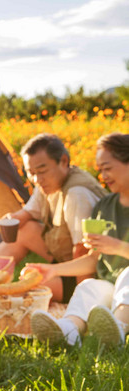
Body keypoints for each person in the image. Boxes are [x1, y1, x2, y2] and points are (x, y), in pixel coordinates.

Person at [30, 133, 129, 347]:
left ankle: (118, 331)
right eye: (100, 170)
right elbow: (93, 260)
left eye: (108, 168)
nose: (103, 176)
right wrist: (54, 270)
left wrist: (118, 247)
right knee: (89, 287)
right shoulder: (105, 206)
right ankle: (68, 331)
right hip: (112, 286)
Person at [0, 133, 106, 302]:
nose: (37, 179)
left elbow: (83, 251)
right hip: (62, 257)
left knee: (30, 291)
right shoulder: (47, 182)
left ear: (64, 161)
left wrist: (83, 300)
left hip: (86, 272)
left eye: (42, 171)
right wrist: (13, 219)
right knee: (24, 229)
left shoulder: (77, 194)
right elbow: (29, 213)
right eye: (31, 173)